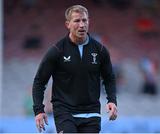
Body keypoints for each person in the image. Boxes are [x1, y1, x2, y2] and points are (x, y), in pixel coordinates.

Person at [32, 5, 117, 133]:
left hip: (91, 112)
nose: (82, 25)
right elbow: (39, 82)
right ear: (68, 24)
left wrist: (112, 100)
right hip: (64, 111)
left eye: (84, 20)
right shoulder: (57, 51)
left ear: (89, 22)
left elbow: (109, 78)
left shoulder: (100, 50)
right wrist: (39, 110)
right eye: (77, 21)